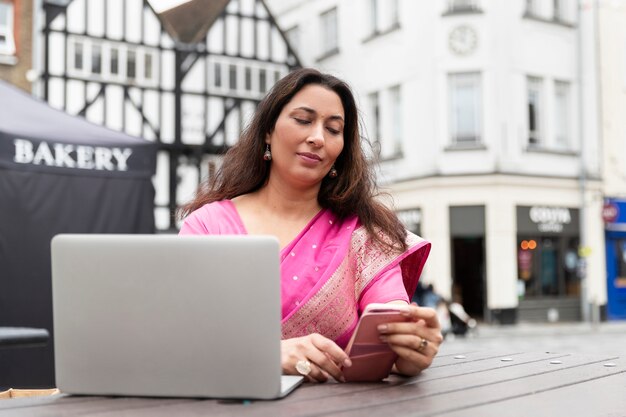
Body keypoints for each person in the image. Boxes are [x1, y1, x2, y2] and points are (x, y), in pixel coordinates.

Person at [178, 68, 443, 382]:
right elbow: (180, 337)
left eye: (333, 129)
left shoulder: (363, 234)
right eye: (303, 120)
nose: (317, 137)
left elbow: (391, 322)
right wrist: (266, 354)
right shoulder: (208, 226)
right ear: (267, 131)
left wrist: (410, 350)